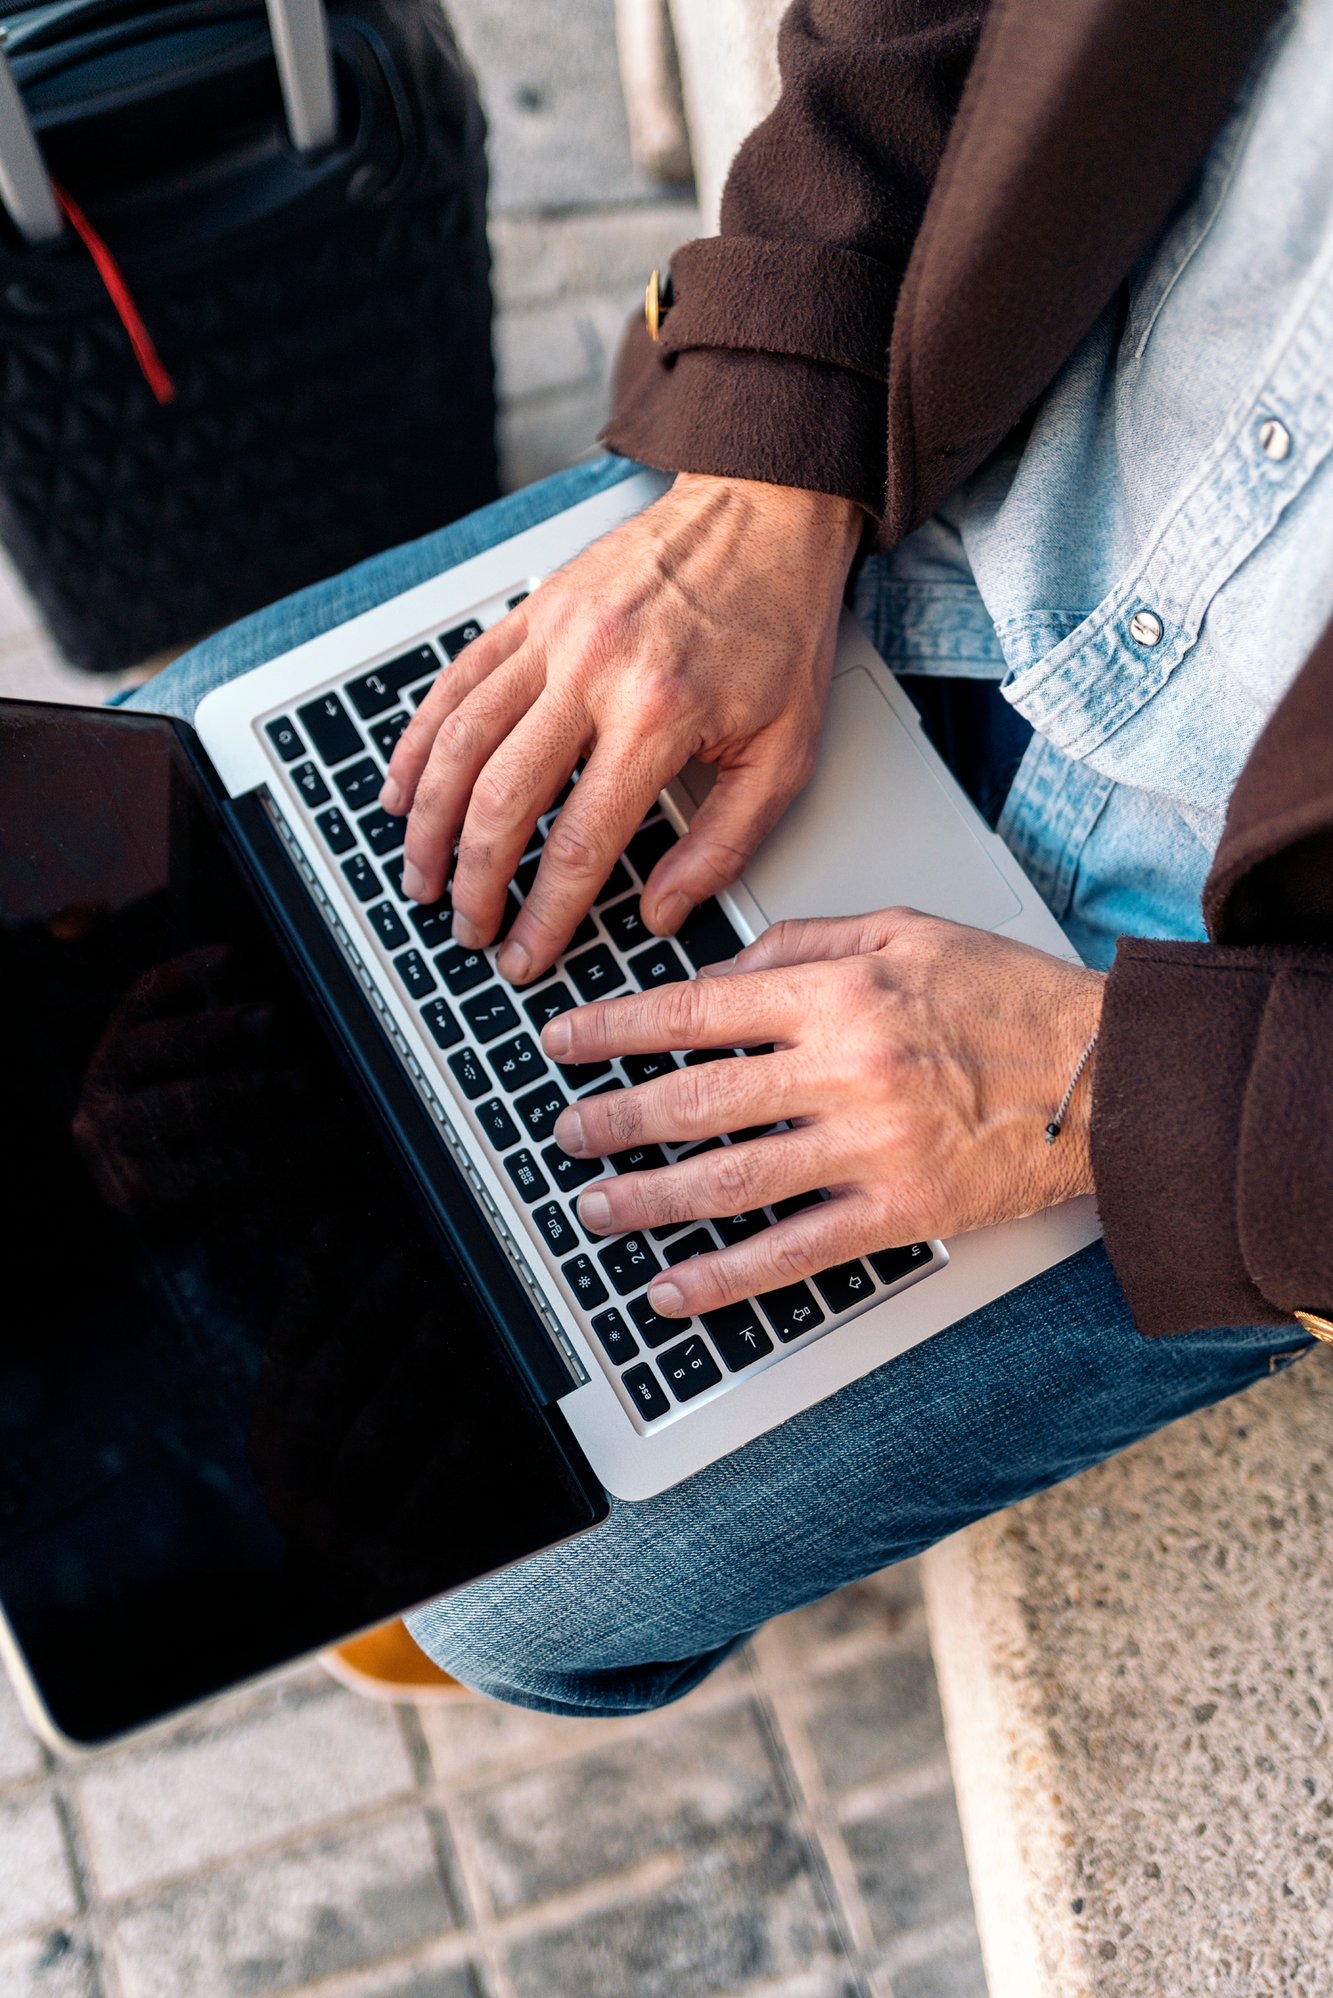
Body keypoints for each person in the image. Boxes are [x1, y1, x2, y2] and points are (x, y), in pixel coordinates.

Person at [133, 0, 1333, 1715]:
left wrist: (1127, 1090)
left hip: (1222, 969)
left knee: (493, 1588)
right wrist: (772, 437)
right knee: (170, 784)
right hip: (932, 465)